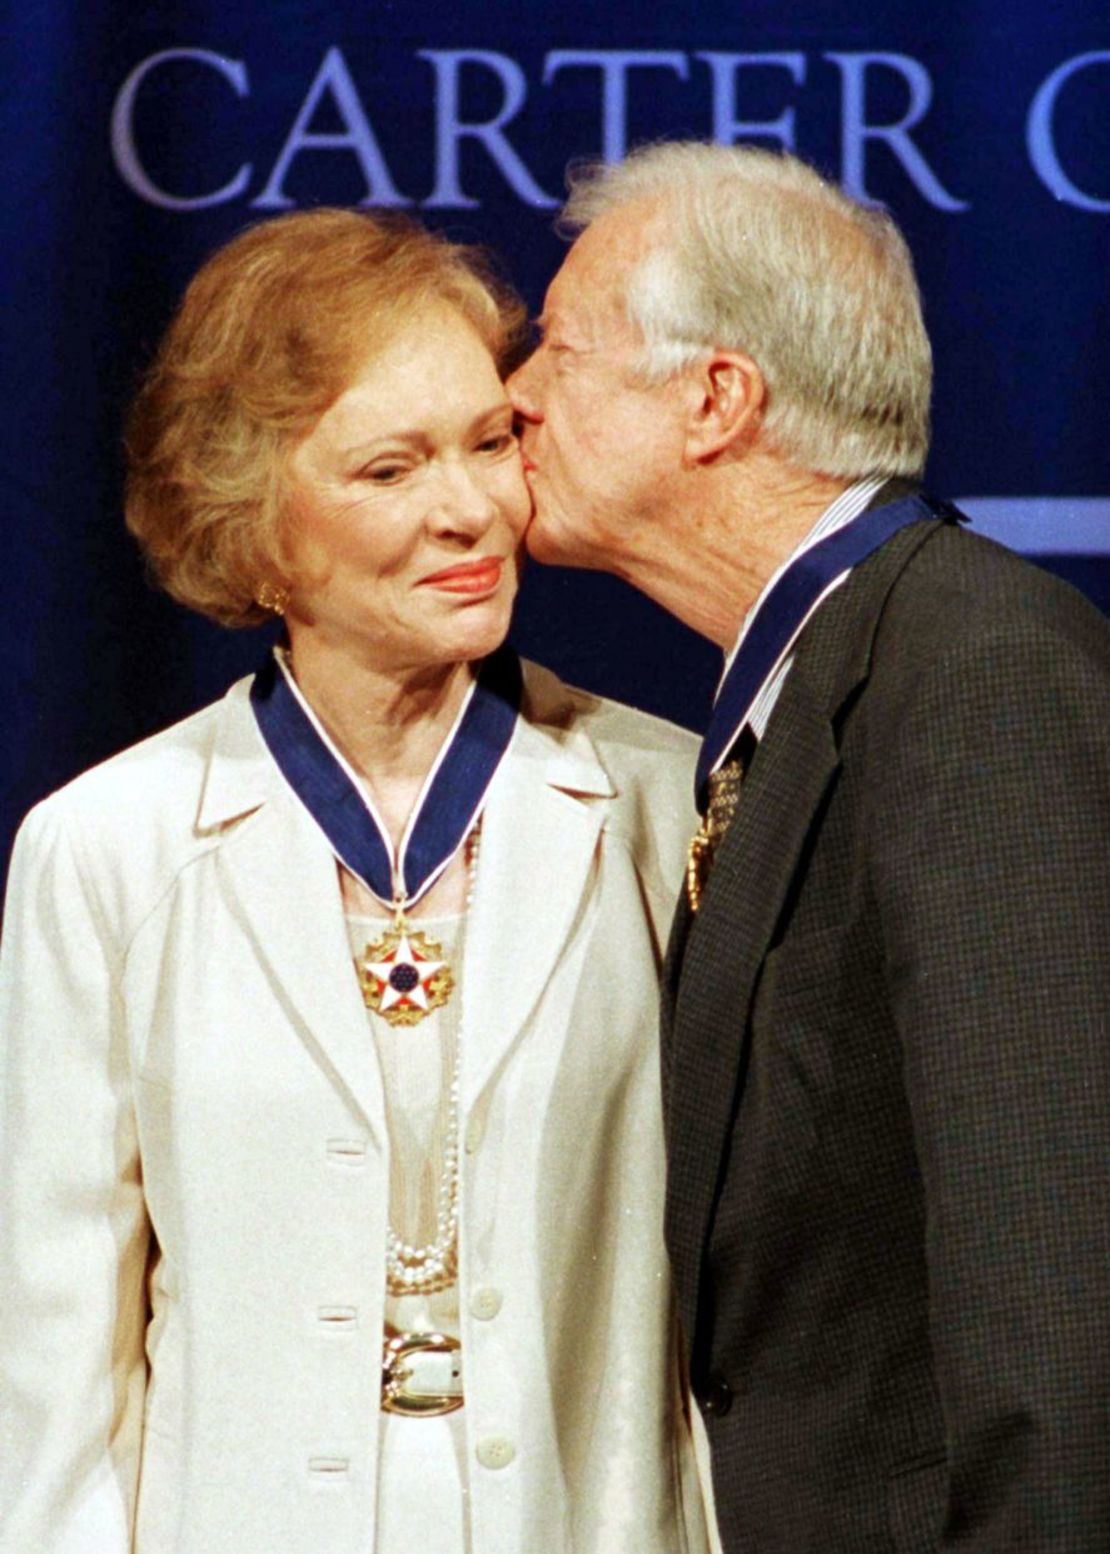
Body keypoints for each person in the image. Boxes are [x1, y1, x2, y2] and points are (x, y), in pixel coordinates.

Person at [0, 208, 714, 1554]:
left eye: (488, 440)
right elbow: (56, 1367)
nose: (470, 508)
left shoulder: (661, 804)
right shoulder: (109, 847)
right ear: (252, 519)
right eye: (389, 468)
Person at [509, 142, 1110, 1551]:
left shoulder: (978, 676)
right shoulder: (822, 676)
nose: (514, 395)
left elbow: (1054, 1277)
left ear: (713, 399)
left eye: (556, 348)